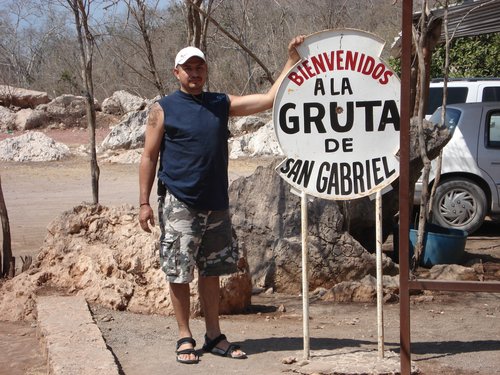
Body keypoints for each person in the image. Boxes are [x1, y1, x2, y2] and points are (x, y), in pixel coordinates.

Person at [138, 35, 304, 364]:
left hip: (217, 204)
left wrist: (291, 60)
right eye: (188, 68)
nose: (195, 73)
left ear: (206, 71)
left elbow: (269, 99)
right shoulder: (163, 109)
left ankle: (213, 335)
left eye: (200, 67)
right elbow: (148, 156)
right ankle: (184, 335)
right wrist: (143, 202)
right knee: (178, 272)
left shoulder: (220, 103)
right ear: (177, 73)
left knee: (212, 271)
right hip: (179, 203)